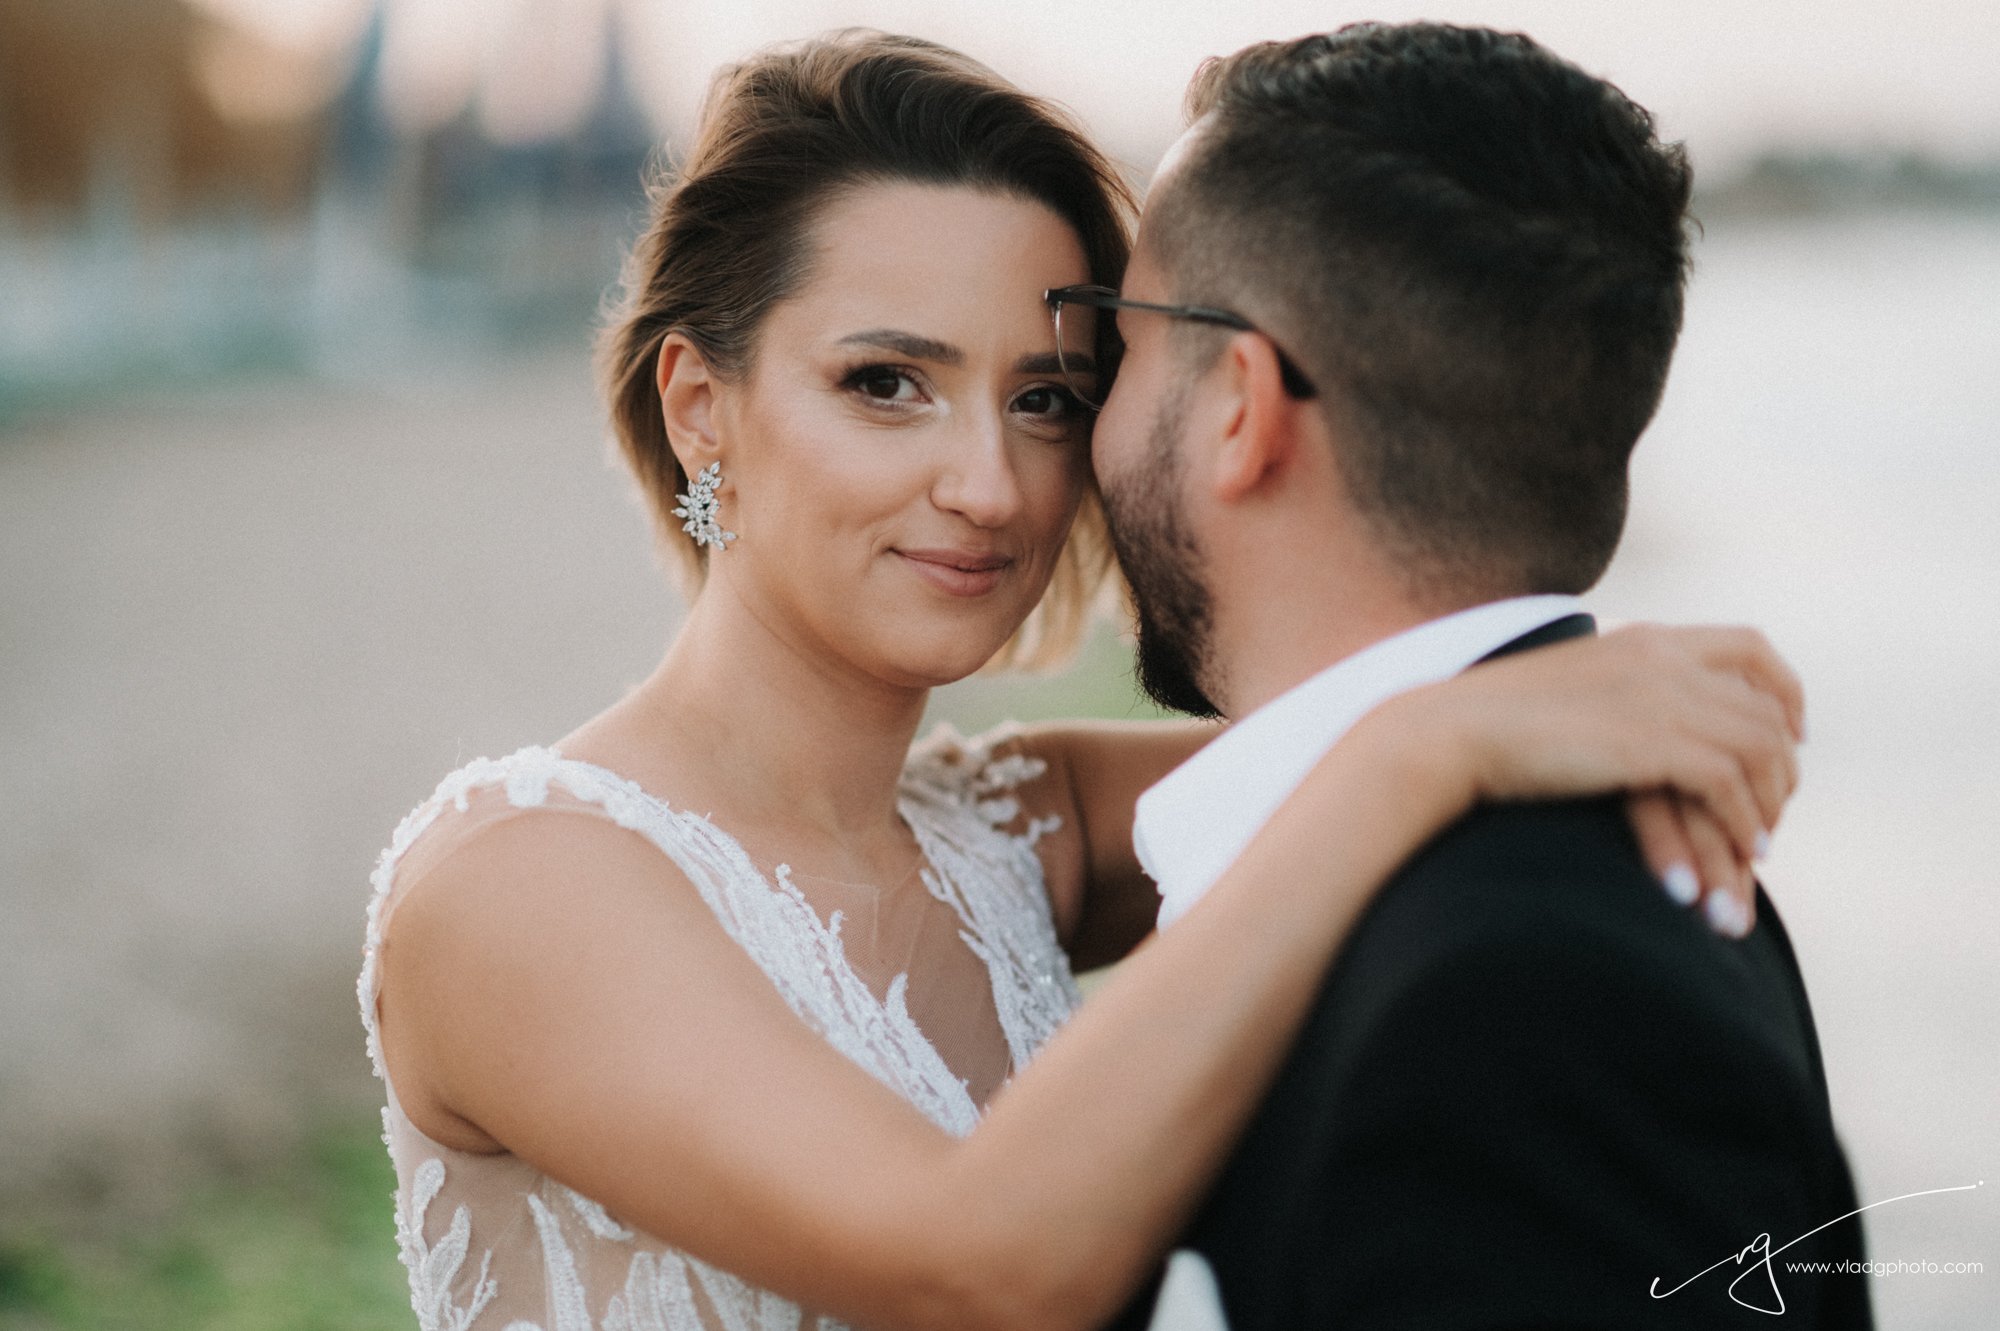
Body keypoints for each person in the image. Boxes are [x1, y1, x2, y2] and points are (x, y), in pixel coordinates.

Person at [358, 30, 1805, 1331]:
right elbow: (971, 1269)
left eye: (1048, 398)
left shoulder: (1017, 826)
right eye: (884, 383)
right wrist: (1438, 748)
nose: (990, 486)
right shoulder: (519, 885)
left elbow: (1323, 732)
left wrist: (1559, 695)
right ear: (700, 409)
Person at [1066, 23, 1870, 1331]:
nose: (1086, 425)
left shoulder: (1522, 1001)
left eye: (1117, 342)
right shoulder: (1557, 879)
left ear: (1240, 409)